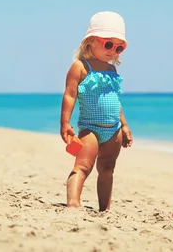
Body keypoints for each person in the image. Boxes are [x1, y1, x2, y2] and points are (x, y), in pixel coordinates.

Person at [60, 11, 133, 212]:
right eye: (108, 44)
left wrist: (125, 126)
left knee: (108, 170)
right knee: (83, 166)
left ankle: (104, 209)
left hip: (114, 130)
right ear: (91, 41)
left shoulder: (112, 70)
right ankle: (73, 203)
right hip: (90, 128)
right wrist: (65, 123)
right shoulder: (81, 67)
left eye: (119, 47)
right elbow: (70, 95)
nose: (113, 50)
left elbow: (115, 101)